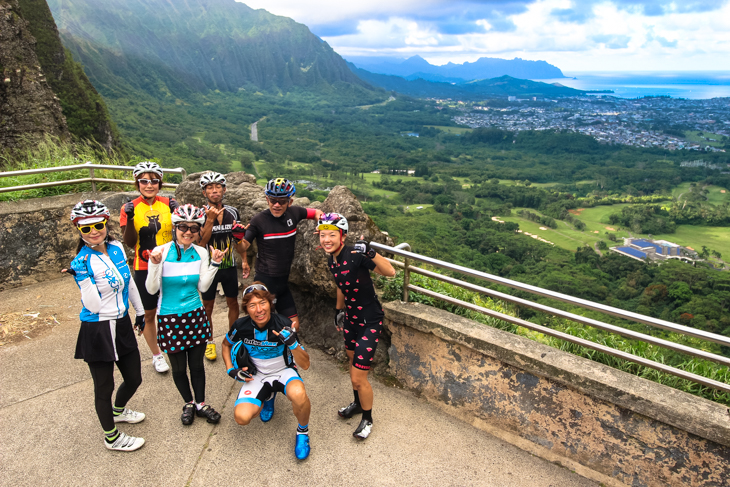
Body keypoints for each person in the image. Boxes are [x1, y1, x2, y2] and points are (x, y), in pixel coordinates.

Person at [66, 200, 146, 452]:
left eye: (98, 225)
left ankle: (118, 411)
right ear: (77, 229)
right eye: (85, 228)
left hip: (121, 322)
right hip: (98, 328)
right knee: (104, 386)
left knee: (134, 378)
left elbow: (129, 283)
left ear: (106, 223)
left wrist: (141, 311)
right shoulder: (83, 261)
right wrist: (83, 278)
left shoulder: (116, 247)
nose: (93, 232)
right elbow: (93, 306)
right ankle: (111, 437)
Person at [317, 213, 396, 440]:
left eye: (332, 235)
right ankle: (357, 404)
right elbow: (341, 285)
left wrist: (369, 251)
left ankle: (368, 419)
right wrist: (338, 311)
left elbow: (389, 272)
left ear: (342, 236)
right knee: (353, 364)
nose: (326, 239)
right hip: (351, 319)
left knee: (358, 378)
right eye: (323, 235)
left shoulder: (355, 254)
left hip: (370, 321)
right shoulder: (332, 258)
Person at [145, 204, 224, 425]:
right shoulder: (160, 251)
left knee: (197, 366)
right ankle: (188, 402)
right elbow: (151, 290)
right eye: (182, 227)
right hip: (169, 317)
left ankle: (200, 404)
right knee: (179, 368)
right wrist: (154, 265)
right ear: (174, 227)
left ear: (199, 230)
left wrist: (215, 263)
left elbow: (203, 286)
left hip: (195, 314)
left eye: (193, 228)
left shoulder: (200, 252)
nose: (188, 232)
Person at [221, 283, 312, 460]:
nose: (259, 310)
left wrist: (293, 344)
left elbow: (305, 364)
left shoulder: (283, 323)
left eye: (262, 303)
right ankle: (268, 396)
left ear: (270, 303)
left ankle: (303, 432)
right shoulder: (240, 326)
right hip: (257, 375)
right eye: (252, 305)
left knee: (299, 396)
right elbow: (225, 345)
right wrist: (231, 370)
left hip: (284, 371)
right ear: (246, 309)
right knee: (241, 417)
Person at [239, 178, 322, 332]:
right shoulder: (259, 220)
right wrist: (237, 238)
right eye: (272, 200)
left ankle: (282, 353)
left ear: (289, 202)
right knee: (261, 325)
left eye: (282, 201)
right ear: (267, 199)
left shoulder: (295, 213)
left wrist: (324, 225)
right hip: (264, 281)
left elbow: (316, 213)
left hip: (283, 283)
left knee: (293, 326)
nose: (276, 205)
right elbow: (243, 246)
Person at [120, 161, 179, 373]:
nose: (149, 185)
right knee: (148, 313)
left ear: (160, 183)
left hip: (170, 263)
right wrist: (129, 217)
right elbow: (129, 242)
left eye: (154, 181)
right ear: (137, 183)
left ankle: (175, 345)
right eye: (144, 181)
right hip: (143, 265)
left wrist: (177, 214)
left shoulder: (169, 203)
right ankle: (156, 355)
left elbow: (180, 234)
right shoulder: (130, 207)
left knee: (173, 306)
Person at [198, 171, 250, 361]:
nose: (214, 191)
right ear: (204, 192)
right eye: (210, 188)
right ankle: (209, 341)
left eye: (218, 187)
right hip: (209, 266)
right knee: (208, 306)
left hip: (228, 265)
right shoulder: (199, 214)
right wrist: (210, 220)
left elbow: (238, 238)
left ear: (224, 189)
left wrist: (244, 259)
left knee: (232, 303)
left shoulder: (233, 212)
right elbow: (200, 244)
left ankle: (233, 338)